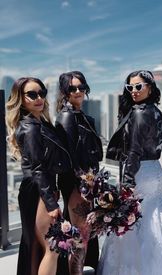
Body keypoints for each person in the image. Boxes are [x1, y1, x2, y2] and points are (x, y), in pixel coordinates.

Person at [97, 70, 162, 275]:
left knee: (134, 221)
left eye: (138, 86)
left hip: (138, 171)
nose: (133, 91)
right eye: (130, 87)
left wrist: (127, 182)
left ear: (150, 87)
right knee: (156, 215)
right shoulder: (155, 111)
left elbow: (134, 151)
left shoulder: (139, 112)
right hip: (154, 170)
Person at [6, 77, 72, 275]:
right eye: (32, 94)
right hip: (37, 190)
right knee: (52, 248)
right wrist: (50, 202)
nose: (39, 98)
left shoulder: (38, 123)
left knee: (42, 248)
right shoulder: (31, 127)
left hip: (39, 188)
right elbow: (37, 168)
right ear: (21, 99)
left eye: (41, 93)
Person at [55, 71, 103, 275]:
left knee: (84, 230)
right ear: (65, 91)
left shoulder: (83, 117)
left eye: (81, 87)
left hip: (86, 182)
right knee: (81, 232)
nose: (77, 91)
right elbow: (70, 157)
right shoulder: (67, 116)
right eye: (72, 88)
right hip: (76, 183)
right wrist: (84, 184)